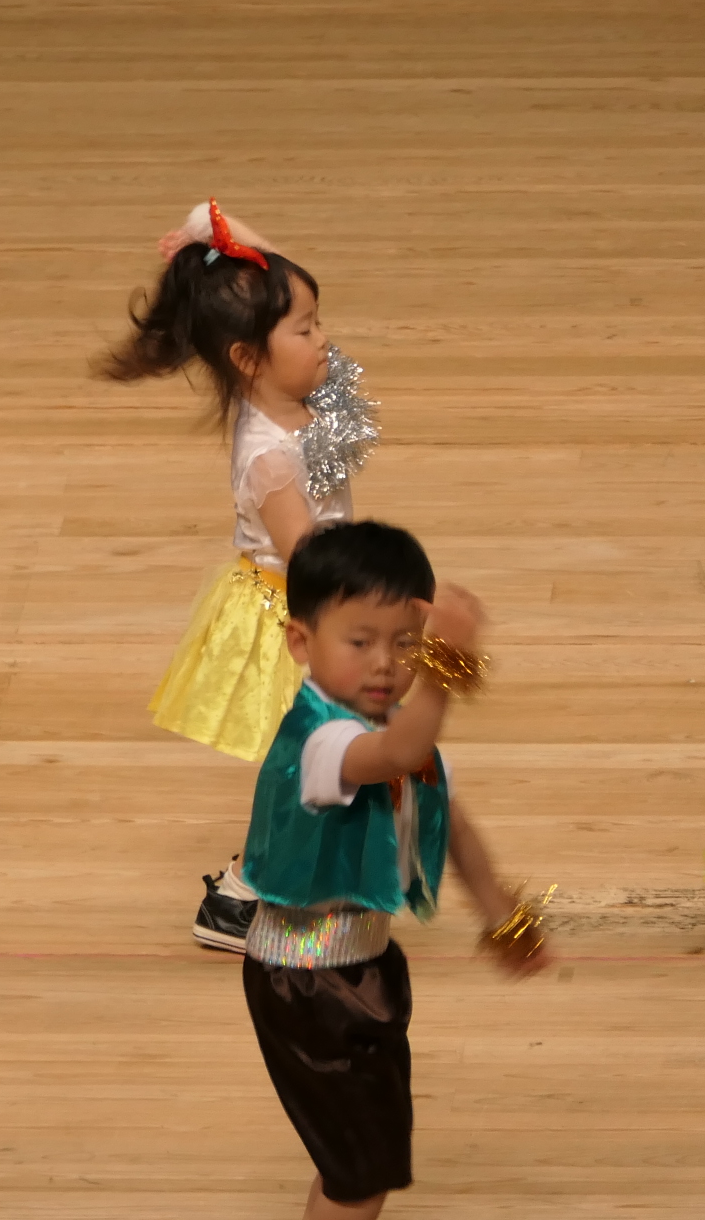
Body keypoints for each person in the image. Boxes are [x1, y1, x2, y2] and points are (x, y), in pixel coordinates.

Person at [239, 520, 549, 1219]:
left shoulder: (402, 731)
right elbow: (396, 757)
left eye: (406, 643)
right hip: (305, 983)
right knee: (359, 1176)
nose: (386, 663)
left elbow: (451, 822)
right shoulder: (322, 740)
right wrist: (445, 665)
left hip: (365, 970)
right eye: (360, 642)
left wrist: (503, 918)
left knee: (359, 1164)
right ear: (301, 642)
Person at [99, 200, 380, 950]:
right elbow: (309, 558)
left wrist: (239, 240)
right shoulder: (269, 455)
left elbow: (341, 385)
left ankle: (283, 882)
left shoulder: (305, 398)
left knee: (326, 762)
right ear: (249, 359)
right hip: (296, 618)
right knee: (315, 762)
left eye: (318, 323)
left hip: (321, 605)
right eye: (305, 330)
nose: (323, 341)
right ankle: (243, 895)